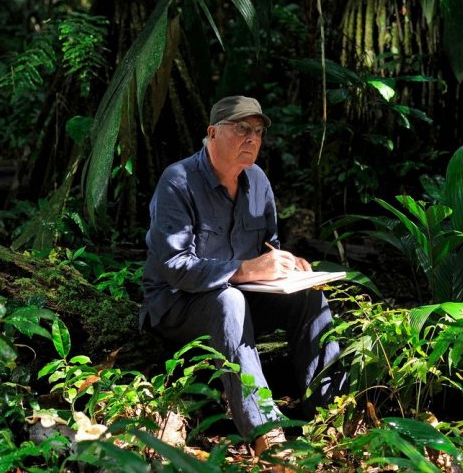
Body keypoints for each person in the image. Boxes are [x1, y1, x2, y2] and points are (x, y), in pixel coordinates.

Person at [141, 95, 345, 458]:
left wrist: (286, 263)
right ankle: (266, 431)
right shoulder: (178, 180)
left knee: (312, 297)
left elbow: (268, 247)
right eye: (241, 129)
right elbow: (174, 266)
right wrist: (244, 269)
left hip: (242, 299)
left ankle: (331, 414)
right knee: (228, 300)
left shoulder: (258, 180)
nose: (252, 138)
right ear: (213, 133)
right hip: (177, 305)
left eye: (257, 132)